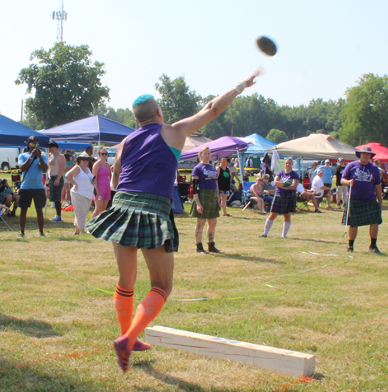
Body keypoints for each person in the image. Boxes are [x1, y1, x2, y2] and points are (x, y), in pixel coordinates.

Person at [86, 70, 260, 372]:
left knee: (126, 281)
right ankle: (127, 339)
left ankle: (127, 335)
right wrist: (240, 86)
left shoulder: (125, 142)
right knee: (162, 286)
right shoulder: (173, 131)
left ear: (137, 119)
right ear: (158, 113)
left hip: (122, 206)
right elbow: (212, 109)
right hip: (153, 208)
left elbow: (114, 176)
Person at [341, 146, 382, 254]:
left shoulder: (374, 168)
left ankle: (373, 246)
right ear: (359, 154)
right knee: (354, 223)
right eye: (363, 153)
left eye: (368, 154)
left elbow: (378, 186)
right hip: (354, 198)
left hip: (370, 199)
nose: (365, 155)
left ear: (370, 156)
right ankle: (350, 246)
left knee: (375, 221)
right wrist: (348, 182)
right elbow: (342, 180)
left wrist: (380, 202)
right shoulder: (351, 165)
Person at [191, 147, 222, 253]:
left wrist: (218, 198)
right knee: (201, 221)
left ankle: (211, 245)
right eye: (205, 154)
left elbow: (216, 183)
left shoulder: (213, 167)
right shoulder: (198, 168)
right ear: (200, 155)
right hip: (203, 195)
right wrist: (198, 203)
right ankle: (199, 247)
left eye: (209, 153)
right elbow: (194, 187)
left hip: (212, 196)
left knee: (213, 221)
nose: (207, 155)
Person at [259, 158, 299, 238]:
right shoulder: (280, 173)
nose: (288, 165)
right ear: (284, 164)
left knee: (287, 215)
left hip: (289, 195)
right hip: (279, 195)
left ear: (292, 164)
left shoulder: (294, 174)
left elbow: (294, 186)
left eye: (289, 163)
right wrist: (286, 185)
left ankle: (284, 235)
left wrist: (283, 185)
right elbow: (275, 183)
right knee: (273, 214)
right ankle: (265, 233)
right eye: (286, 163)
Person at [17, 136, 48, 238]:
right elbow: (22, 168)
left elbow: (45, 169)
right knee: (23, 210)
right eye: (32, 144)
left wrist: (39, 157)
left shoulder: (42, 156)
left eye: (36, 144)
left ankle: (41, 232)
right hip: (26, 187)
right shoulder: (23, 155)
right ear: (28, 144)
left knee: (39, 210)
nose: (34, 146)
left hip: (38, 187)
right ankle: (22, 232)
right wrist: (31, 156)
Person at [65, 152, 95, 234]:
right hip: (79, 193)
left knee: (82, 212)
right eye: (83, 159)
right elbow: (68, 175)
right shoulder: (77, 168)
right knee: (80, 213)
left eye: (87, 159)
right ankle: (82, 231)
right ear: (79, 160)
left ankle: (77, 230)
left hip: (87, 193)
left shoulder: (88, 169)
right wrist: (75, 184)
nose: (85, 161)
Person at [47, 141, 66, 222]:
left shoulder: (60, 156)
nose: (49, 149)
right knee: (54, 197)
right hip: (52, 178)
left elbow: (62, 168)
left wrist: (58, 179)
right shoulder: (51, 157)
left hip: (57, 178)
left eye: (50, 147)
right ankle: (57, 215)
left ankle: (58, 216)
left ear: (55, 147)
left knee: (57, 197)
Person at [91, 147, 112, 219]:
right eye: (103, 154)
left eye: (106, 154)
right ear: (99, 154)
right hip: (99, 188)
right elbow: (94, 179)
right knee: (98, 208)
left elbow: (110, 176)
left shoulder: (107, 164)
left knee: (103, 209)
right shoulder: (96, 164)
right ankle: (90, 225)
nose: (104, 155)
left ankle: (99, 224)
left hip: (107, 188)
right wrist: (96, 191)